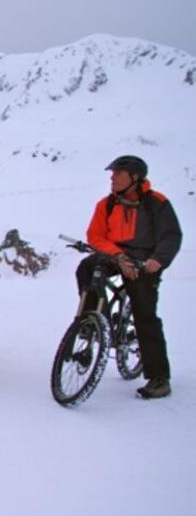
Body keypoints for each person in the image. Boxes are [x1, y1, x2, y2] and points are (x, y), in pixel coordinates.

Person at [77, 155, 181, 399]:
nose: (112, 178)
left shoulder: (157, 203)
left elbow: (171, 236)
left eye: (117, 174)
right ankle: (93, 321)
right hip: (116, 254)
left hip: (145, 260)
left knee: (145, 315)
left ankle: (158, 377)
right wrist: (119, 257)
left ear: (135, 177)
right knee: (86, 268)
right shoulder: (106, 204)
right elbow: (95, 235)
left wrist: (157, 260)